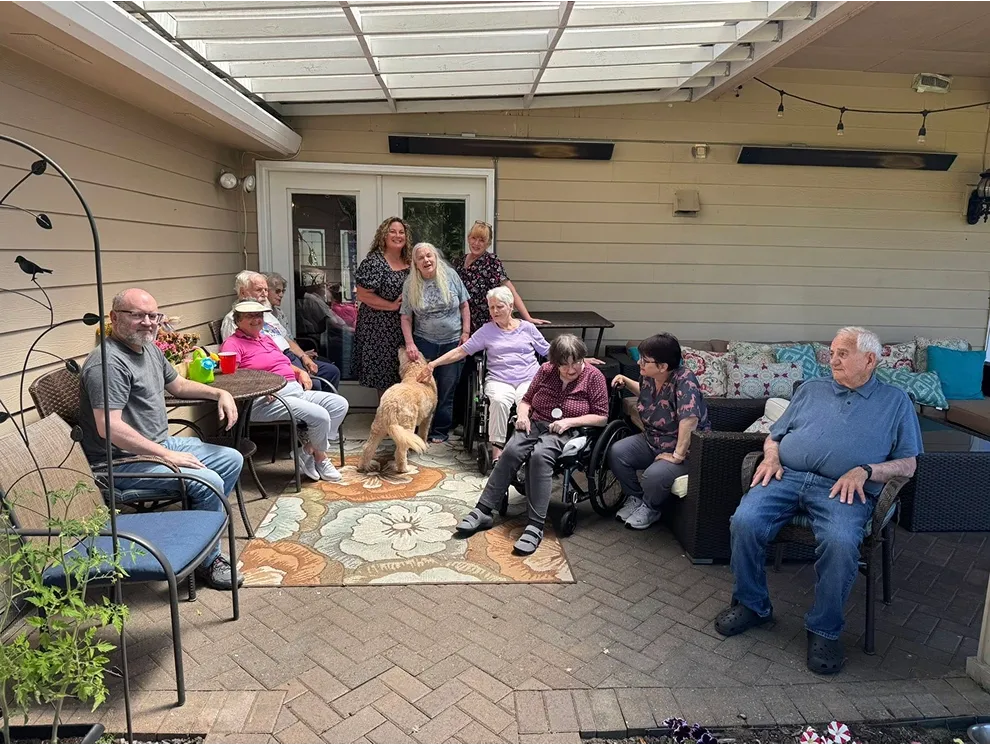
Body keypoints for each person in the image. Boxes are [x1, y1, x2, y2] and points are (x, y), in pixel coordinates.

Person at [714, 326, 922, 675]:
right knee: (744, 522)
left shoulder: (895, 402)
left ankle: (824, 629)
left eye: (843, 353)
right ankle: (753, 605)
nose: (832, 358)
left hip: (843, 489)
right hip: (786, 477)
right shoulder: (811, 390)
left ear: (869, 360)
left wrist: (866, 471)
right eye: (832, 351)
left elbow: (909, 464)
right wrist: (770, 456)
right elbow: (774, 437)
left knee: (841, 542)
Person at [79, 288, 243, 590]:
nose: (148, 322)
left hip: (159, 445)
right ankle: (208, 562)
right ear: (115, 318)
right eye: (138, 315)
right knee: (209, 481)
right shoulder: (108, 364)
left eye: (153, 315)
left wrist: (220, 392)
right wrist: (166, 456)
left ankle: (193, 540)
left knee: (231, 458)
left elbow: (178, 385)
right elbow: (109, 428)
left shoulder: (148, 348)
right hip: (120, 463)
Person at [455, 334, 608, 556]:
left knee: (540, 457)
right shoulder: (546, 370)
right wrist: (523, 415)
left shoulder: (594, 377)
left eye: (575, 362)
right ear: (555, 363)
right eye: (563, 365)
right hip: (535, 422)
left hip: (565, 429)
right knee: (510, 452)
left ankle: (535, 525)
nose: (570, 369)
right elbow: (526, 400)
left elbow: (602, 417)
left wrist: (569, 422)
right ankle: (483, 510)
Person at [220, 300, 349, 482]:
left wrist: (300, 372)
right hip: (266, 400)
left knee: (338, 405)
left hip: (294, 390)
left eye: (259, 316)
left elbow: (284, 362)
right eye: (250, 316)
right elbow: (233, 379)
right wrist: (262, 389)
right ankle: (320, 457)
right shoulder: (232, 344)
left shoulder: (266, 339)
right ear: (238, 321)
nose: (256, 320)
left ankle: (307, 451)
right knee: (320, 416)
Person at [419, 286, 549, 461]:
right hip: (499, 380)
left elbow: (549, 352)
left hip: (528, 378)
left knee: (525, 403)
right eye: (491, 307)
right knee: (499, 401)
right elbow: (461, 351)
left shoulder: (527, 328)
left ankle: (525, 449)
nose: (494, 311)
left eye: (499, 306)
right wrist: (433, 364)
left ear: (511, 306)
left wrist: (580, 360)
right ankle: (497, 454)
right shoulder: (487, 330)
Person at [608, 333, 710, 530]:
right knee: (617, 452)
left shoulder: (684, 381)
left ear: (663, 366)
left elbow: (689, 420)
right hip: (652, 440)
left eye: (645, 360)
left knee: (653, 476)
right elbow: (649, 395)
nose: (639, 363)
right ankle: (636, 499)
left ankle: (651, 507)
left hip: (685, 450)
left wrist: (678, 456)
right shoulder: (649, 376)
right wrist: (626, 380)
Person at [221, 270, 341, 390]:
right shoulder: (233, 320)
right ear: (243, 292)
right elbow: (238, 359)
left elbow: (286, 340)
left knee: (331, 371)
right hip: (274, 363)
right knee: (314, 384)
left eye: (266, 290)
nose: (264, 294)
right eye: (259, 290)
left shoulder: (267, 314)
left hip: (288, 357)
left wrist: (304, 356)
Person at [400, 242, 470, 443]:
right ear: (415, 263)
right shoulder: (410, 284)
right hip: (424, 342)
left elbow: (465, 306)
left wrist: (466, 332)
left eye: (429, 256)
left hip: (452, 343)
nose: (426, 260)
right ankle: (417, 430)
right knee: (421, 387)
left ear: (435, 257)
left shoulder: (450, 276)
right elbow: (406, 317)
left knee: (446, 388)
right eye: (421, 258)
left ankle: (439, 430)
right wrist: (410, 344)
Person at [453, 220, 548, 334]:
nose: (476, 243)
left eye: (482, 240)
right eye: (474, 238)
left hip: (485, 324)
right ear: (468, 238)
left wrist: (528, 318)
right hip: (462, 323)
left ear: (488, 244)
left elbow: (511, 290)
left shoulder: (492, 262)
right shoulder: (458, 262)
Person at [353, 217, 412, 394]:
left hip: (403, 326)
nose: (397, 235)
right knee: (384, 376)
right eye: (392, 231)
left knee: (401, 373)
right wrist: (392, 306)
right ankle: (386, 418)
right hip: (378, 328)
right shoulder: (374, 262)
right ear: (383, 235)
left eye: (401, 232)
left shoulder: (409, 262)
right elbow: (363, 294)